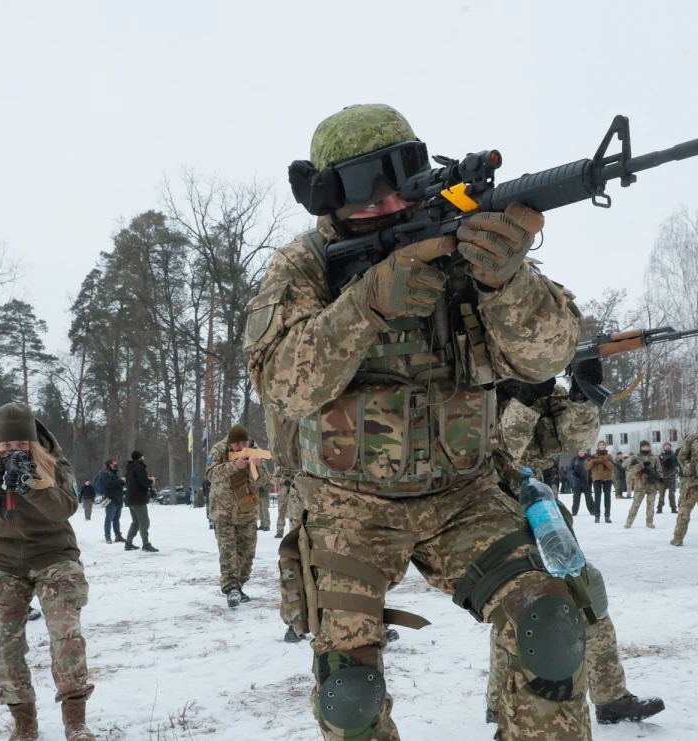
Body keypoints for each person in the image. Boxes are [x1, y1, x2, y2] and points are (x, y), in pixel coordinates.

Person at [247, 103, 593, 740]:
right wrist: (367, 304)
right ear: (328, 199)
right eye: (361, 191)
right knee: (349, 695)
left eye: (398, 180)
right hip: (347, 508)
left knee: (550, 626)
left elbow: (548, 356)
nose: (384, 205)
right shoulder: (304, 265)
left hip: (463, 496)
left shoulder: (463, 242)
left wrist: (508, 281)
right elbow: (284, 384)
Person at [489, 378, 663, 727]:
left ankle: (610, 696)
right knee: (512, 603)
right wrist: (523, 401)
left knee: (585, 590)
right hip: (487, 508)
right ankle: (501, 701)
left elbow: (577, 441)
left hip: (539, 508)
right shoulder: (470, 387)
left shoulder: (539, 383)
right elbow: (495, 451)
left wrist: (583, 395)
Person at [0, 403, 95, 741]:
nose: (13, 450)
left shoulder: (54, 465)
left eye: (20, 444)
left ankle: (75, 720)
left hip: (54, 556)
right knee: (3, 644)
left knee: (66, 635)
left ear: (32, 442)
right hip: (4, 561)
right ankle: (24, 723)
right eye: (6, 445)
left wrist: (33, 485)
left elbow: (65, 508)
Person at [206, 425, 261, 608]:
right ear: (230, 442)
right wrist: (233, 465)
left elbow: (264, 480)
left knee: (247, 555)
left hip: (247, 512)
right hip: (224, 512)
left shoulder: (255, 449)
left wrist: (258, 467)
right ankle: (231, 589)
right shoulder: (219, 449)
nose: (241, 446)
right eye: (237, 443)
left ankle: (239, 585)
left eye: (244, 442)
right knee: (228, 552)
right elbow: (210, 474)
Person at [124, 451, 159, 551]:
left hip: (130, 498)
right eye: (142, 456)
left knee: (135, 522)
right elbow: (143, 483)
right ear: (139, 458)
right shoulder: (139, 468)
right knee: (144, 522)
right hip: (138, 499)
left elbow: (134, 481)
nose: (144, 457)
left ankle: (128, 542)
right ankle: (146, 544)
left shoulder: (130, 468)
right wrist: (151, 481)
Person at [622, 442, 658, 529]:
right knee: (635, 505)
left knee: (651, 505)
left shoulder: (654, 457)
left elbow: (659, 470)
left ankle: (649, 522)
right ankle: (629, 522)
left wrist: (659, 481)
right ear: (641, 447)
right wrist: (642, 465)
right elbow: (631, 470)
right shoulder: (636, 458)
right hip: (640, 484)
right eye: (644, 446)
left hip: (651, 484)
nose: (645, 448)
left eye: (647, 446)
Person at [586, 441, 616, 523]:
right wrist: (594, 461)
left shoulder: (609, 456)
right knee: (597, 497)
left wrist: (605, 461)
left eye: (603, 445)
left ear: (605, 446)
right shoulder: (593, 455)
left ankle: (607, 515)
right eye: (600, 445)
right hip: (597, 478)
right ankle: (597, 516)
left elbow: (613, 467)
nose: (602, 446)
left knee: (607, 498)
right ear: (598, 446)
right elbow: (587, 466)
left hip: (607, 478)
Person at [96, 459, 124, 543]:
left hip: (118, 499)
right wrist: (120, 482)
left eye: (116, 462)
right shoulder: (106, 473)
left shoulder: (116, 472)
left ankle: (118, 535)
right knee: (109, 518)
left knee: (116, 519)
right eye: (114, 463)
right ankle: (107, 536)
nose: (116, 464)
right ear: (109, 464)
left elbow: (117, 484)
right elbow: (108, 484)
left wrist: (122, 482)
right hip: (110, 499)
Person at [569, 450, 593, 517]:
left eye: (583, 451)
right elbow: (570, 469)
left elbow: (592, 469)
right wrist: (572, 474)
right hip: (577, 482)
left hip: (587, 482)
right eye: (580, 451)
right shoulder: (574, 460)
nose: (581, 453)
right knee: (576, 499)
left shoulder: (589, 459)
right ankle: (574, 511)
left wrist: (591, 475)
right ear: (578, 453)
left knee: (589, 498)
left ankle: (592, 511)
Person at [656, 443, 678, 514]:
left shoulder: (673, 455)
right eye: (666, 446)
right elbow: (657, 465)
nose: (667, 447)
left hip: (671, 477)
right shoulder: (660, 456)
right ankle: (659, 508)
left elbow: (677, 463)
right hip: (663, 478)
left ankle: (673, 508)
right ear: (663, 447)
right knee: (661, 494)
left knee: (672, 494)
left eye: (669, 446)